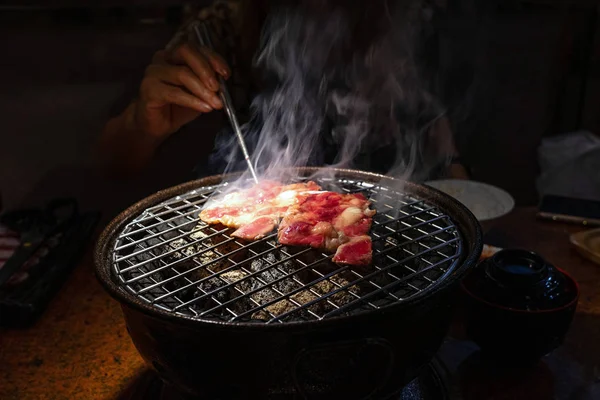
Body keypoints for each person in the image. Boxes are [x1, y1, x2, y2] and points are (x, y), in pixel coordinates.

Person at [98, 0, 470, 180]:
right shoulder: (224, 26)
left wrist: (457, 175)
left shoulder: (400, 19)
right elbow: (111, 162)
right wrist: (142, 123)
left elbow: (434, 123)